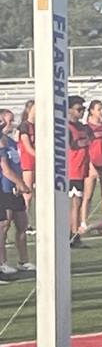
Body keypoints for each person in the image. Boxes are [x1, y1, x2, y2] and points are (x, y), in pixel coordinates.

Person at [0, 108, 34, 273]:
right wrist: (20, 183)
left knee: (21, 224)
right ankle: (2, 262)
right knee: (4, 226)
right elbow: (5, 169)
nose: (11, 124)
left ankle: (23, 261)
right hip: (4, 188)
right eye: (9, 120)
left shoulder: (11, 142)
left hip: (15, 189)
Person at [82, 99, 102, 229]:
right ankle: (83, 222)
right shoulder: (87, 129)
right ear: (91, 111)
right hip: (92, 164)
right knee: (88, 196)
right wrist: (90, 166)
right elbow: (85, 148)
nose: (101, 111)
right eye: (99, 109)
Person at [66, 95, 92, 248]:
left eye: (83, 109)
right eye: (78, 109)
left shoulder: (82, 127)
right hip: (72, 170)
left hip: (81, 170)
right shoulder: (67, 128)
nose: (82, 112)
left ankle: (72, 233)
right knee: (75, 203)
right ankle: (73, 234)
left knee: (78, 202)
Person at [17, 100, 35, 233]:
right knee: (27, 193)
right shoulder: (25, 125)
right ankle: (24, 223)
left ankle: (29, 221)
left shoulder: (35, 125)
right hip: (28, 161)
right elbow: (27, 146)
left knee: (33, 193)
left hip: (35, 161)